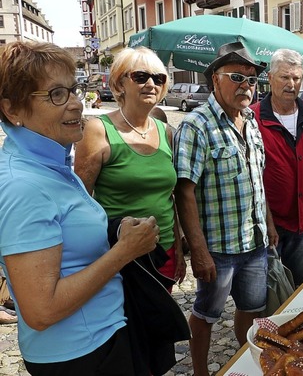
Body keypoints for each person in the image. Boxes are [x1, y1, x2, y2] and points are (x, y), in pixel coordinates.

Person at [0, 41, 160, 375]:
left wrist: (114, 229)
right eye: (57, 95)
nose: (76, 104)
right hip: (79, 354)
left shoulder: (49, 159)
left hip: (99, 336)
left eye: (74, 90)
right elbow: (41, 310)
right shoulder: (25, 186)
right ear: (13, 110)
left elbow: (66, 234)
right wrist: (124, 251)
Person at [173, 41, 270, 376]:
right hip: (219, 247)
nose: (246, 86)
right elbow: (183, 192)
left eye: (252, 80)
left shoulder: (251, 122)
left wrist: (268, 224)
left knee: (252, 309)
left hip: (255, 243)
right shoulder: (196, 125)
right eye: (237, 77)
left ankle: (246, 361)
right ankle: (201, 372)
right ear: (215, 79)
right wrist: (197, 250)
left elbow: (259, 179)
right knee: (205, 313)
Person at [74, 47, 186, 286]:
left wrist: (178, 246)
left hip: (164, 249)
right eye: (140, 76)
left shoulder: (165, 131)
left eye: (158, 78)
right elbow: (81, 200)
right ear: (119, 83)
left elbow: (170, 197)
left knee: (161, 321)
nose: (151, 84)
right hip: (120, 255)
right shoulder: (98, 129)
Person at [250, 48, 303, 286]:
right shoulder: (252, 118)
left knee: (298, 284)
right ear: (270, 78)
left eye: (296, 78)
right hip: (267, 221)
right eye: (284, 77)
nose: (291, 84)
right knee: (267, 289)